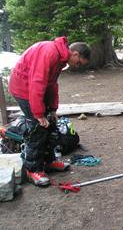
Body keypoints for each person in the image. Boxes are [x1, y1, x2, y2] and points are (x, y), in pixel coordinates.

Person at [9, 37, 91, 186]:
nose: (77, 66)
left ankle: (49, 161)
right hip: (23, 89)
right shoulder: (50, 52)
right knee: (37, 128)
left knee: (51, 124)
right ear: (75, 54)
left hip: (34, 89)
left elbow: (52, 84)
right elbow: (37, 83)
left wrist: (52, 109)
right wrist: (39, 114)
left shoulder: (60, 58)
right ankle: (32, 169)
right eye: (78, 63)